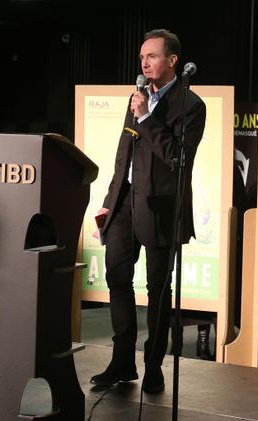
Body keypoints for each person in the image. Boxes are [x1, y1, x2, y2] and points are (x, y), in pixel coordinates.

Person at [90, 29, 206, 393]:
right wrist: (109, 201)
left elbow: (178, 158)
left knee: (158, 289)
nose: (144, 63)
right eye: (142, 57)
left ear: (172, 60)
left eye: (152, 56)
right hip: (125, 202)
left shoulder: (190, 105)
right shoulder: (137, 98)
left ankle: (153, 364)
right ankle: (122, 361)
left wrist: (146, 119)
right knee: (116, 277)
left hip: (161, 207)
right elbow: (123, 154)